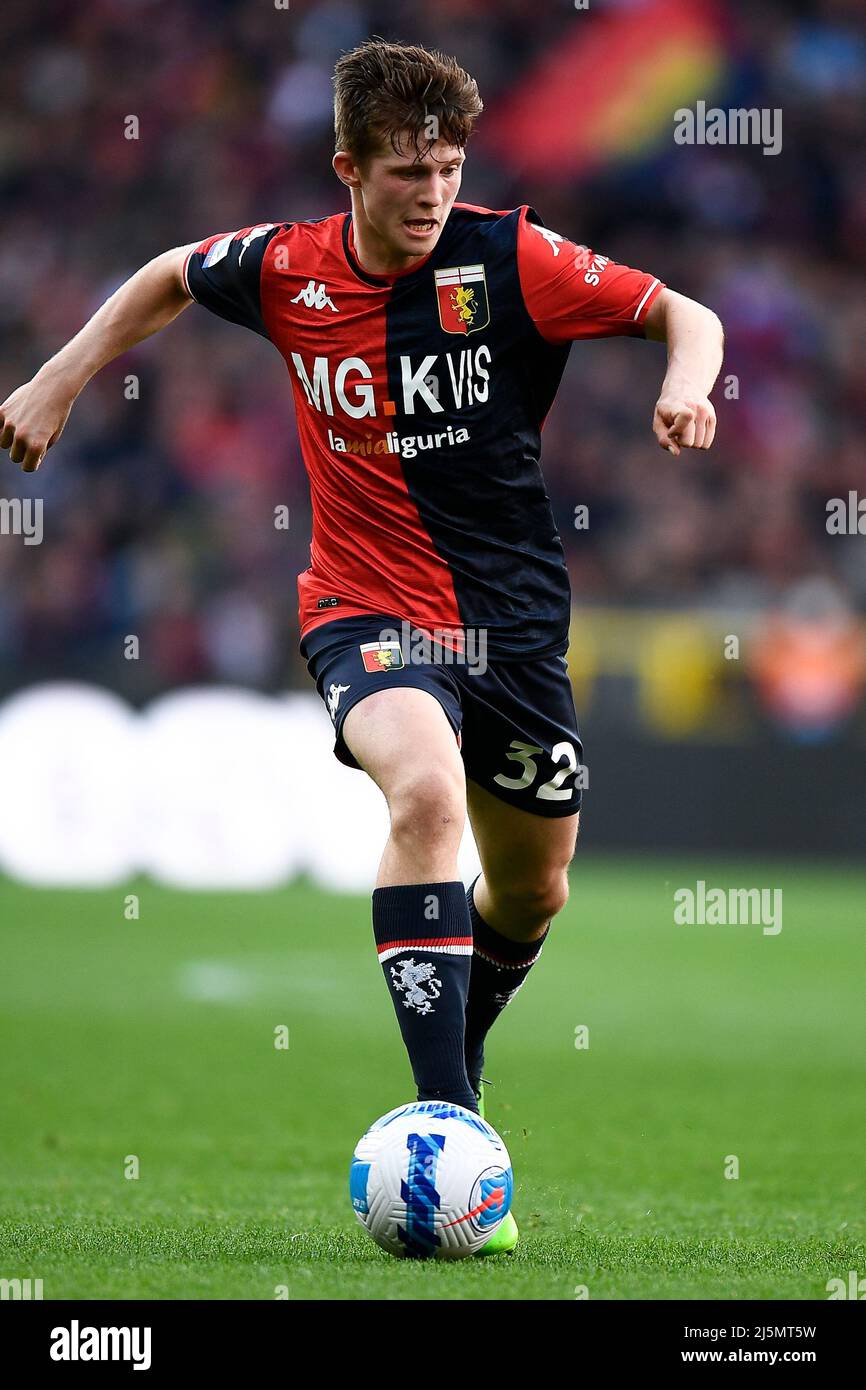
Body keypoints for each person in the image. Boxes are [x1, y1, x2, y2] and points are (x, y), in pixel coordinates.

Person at [0, 38, 723, 1255]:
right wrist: (59, 380)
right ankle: (444, 1119)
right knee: (425, 790)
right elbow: (171, 271)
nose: (432, 191)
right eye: (405, 171)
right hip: (363, 607)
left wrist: (685, 384)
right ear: (348, 168)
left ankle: (458, 1055)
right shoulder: (287, 268)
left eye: (446, 165)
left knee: (535, 888)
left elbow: (676, 312)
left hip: (513, 631)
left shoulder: (514, 259)